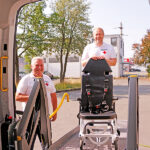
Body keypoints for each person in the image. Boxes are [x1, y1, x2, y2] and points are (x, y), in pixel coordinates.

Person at [16, 57, 57, 121]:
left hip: (45, 115)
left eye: (41, 65)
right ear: (31, 66)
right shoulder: (26, 79)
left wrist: (55, 112)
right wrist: (34, 98)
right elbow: (17, 97)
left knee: (46, 131)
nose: (39, 67)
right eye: (37, 65)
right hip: (30, 117)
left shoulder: (47, 79)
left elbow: (53, 96)